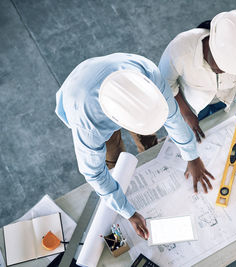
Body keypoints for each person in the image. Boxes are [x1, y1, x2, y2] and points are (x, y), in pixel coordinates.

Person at [55, 53, 214, 239]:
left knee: (147, 137)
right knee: (112, 154)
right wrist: (127, 211)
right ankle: (117, 168)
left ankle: (147, 146)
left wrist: (192, 156)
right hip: (81, 93)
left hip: (115, 76)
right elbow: (94, 173)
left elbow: (173, 118)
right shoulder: (88, 123)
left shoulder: (147, 72)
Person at [159, 10, 236, 142]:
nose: (222, 71)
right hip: (192, 104)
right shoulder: (179, 49)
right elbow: (166, 84)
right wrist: (186, 114)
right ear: (211, 44)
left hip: (226, 100)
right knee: (192, 133)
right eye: (219, 65)